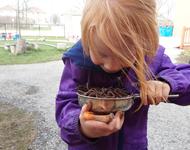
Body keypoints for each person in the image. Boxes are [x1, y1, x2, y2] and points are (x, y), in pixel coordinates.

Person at [55, 0, 190, 149]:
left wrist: (168, 83)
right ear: (87, 36)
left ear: (144, 43)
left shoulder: (150, 58)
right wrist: (82, 126)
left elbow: (185, 79)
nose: (111, 66)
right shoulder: (77, 62)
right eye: (102, 54)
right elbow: (64, 106)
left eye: (124, 56)